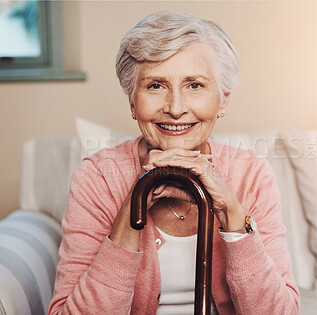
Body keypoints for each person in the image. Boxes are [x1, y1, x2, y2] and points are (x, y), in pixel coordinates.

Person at [49, 11, 300, 315]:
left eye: (194, 85)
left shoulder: (252, 174)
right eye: (156, 85)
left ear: (223, 100)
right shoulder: (97, 177)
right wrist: (132, 205)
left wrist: (233, 214)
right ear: (133, 102)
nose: (176, 109)